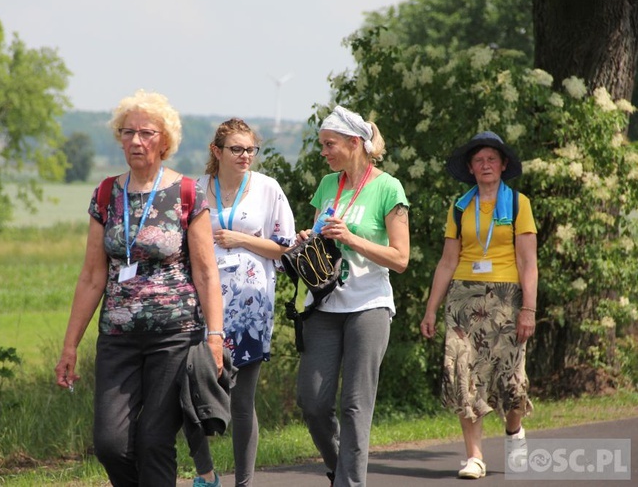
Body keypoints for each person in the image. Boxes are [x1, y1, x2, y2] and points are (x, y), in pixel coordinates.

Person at [54, 89, 225, 487]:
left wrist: (214, 338)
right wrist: (69, 346)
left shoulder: (187, 193)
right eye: (127, 132)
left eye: (145, 132)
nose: (135, 140)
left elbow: (205, 273)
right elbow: (92, 277)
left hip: (175, 335)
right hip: (117, 337)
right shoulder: (106, 194)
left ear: (164, 140)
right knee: (110, 444)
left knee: (153, 440)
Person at [295, 105, 410, 486]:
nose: (324, 151)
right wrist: (305, 239)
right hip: (325, 305)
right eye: (323, 145)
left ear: (354, 142)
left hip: (369, 306)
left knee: (355, 405)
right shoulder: (329, 184)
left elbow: (400, 258)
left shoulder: (388, 186)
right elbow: (320, 237)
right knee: (312, 402)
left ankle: (350, 482)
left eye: (330, 144)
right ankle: (339, 469)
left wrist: (352, 238)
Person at [420, 131, 538, 479]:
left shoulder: (519, 204)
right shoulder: (460, 207)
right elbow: (446, 262)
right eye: (479, 160)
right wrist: (430, 309)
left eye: (492, 159)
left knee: (513, 382)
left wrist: (528, 309)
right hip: (463, 298)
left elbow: (529, 262)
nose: (485, 165)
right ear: (471, 168)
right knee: (463, 374)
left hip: (507, 297)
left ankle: (515, 432)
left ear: (503, 165)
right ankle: (475, 457)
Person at [191, 118, 296, 487]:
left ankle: (244, 482)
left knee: (242, 400)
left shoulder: (268, 189)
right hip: (203, 304)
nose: (245, 156)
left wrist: (242, 239)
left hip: (251, 307)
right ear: (216, 152)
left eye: (251, 149)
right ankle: (205, 472)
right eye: (237, 149)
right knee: (195, 392)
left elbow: (285, 248)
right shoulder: (196, 189)